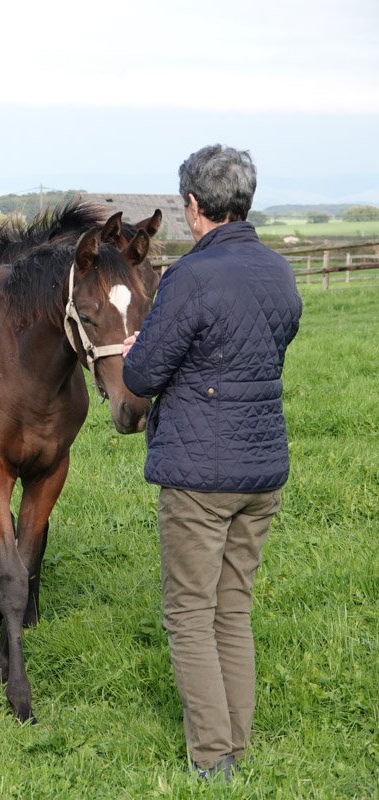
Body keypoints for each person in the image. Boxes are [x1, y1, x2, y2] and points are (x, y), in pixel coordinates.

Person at [121, 144, 302, 781]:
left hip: (200, 475)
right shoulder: (279, 272)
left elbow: (141, 375)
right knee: (233, 609)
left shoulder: (191, 277)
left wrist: (141, 348)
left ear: (194, 206)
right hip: (262, 468)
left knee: (190, 614)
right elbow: (264, 347)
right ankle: (236, 748)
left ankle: (211, 758)